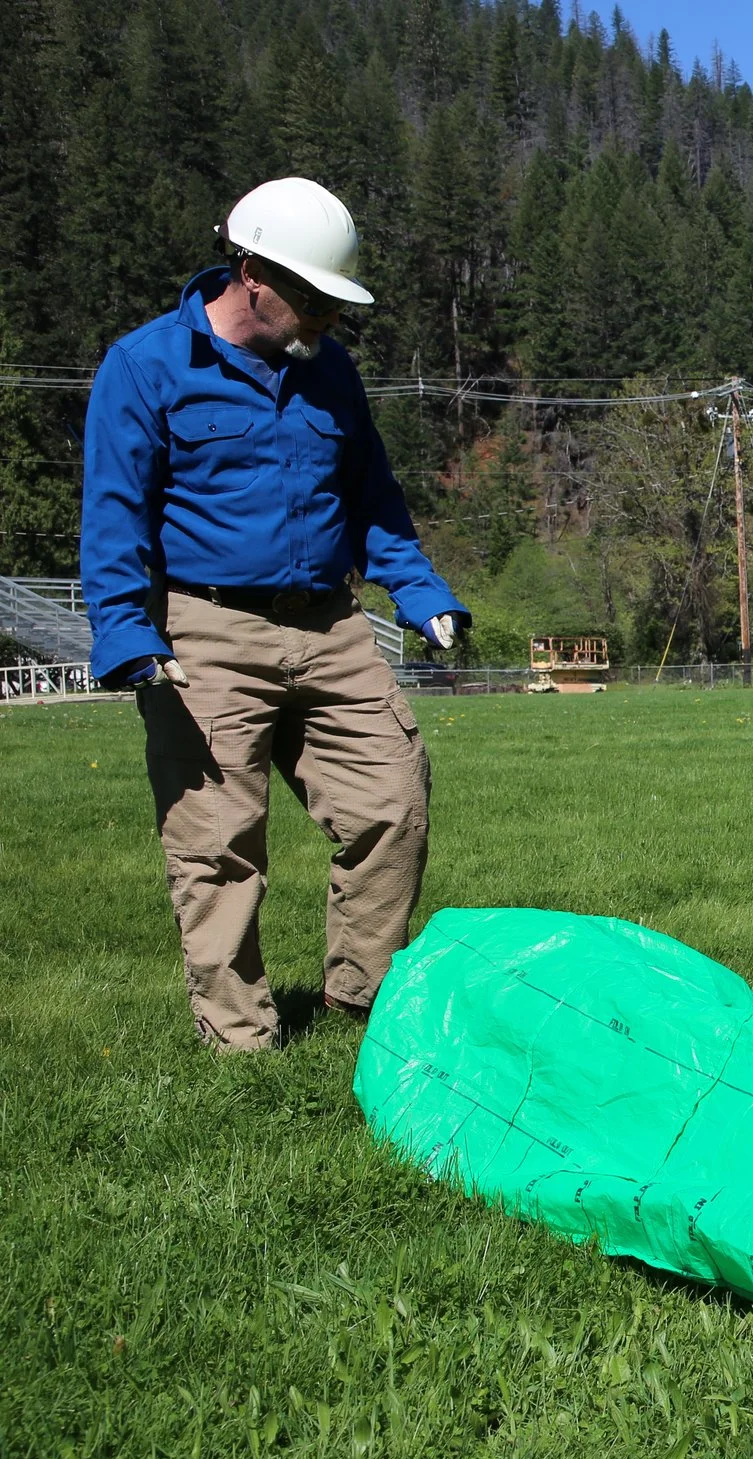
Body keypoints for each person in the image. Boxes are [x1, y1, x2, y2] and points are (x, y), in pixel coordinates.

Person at [80, 177, 468, 1051]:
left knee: (392, 802)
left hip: (333, 625)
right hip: (204, 631)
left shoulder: (331, 371)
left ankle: (361, 1008)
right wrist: (126, 631)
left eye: (338, 300)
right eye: (315, 298)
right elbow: (113, 513)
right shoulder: (145, 366)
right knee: (217, 841)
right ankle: (240, 1040)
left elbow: (374, 499)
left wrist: (421, 592)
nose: (329, 317)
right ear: (252, 273)